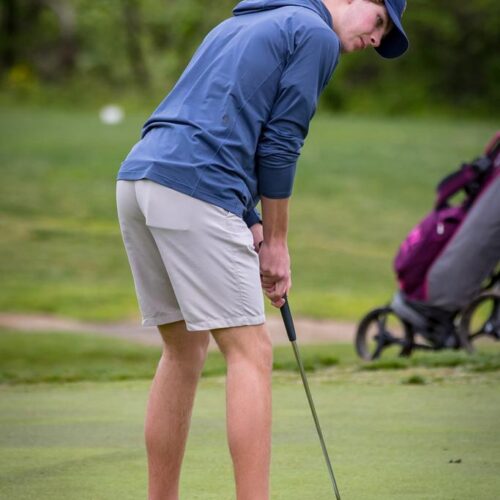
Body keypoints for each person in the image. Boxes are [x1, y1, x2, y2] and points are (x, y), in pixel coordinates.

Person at [116, 0, 408, 498]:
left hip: (140, 180)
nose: (375, 39)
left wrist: (249, 217)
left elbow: (216, 119)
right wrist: (276, 243)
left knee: (183, 351)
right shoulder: (315, 36)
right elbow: (279, 144)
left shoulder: (243, 22)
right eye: (379, 22)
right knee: (251, 352)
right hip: (196, 186)